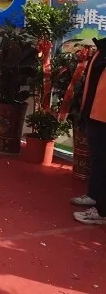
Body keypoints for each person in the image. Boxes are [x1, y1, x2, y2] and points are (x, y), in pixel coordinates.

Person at [73, 37, 106, 225]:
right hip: (95, 112)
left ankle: (102, 211)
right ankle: (94, 196)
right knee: (97, 159)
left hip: (103, 115)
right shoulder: (102, 49)